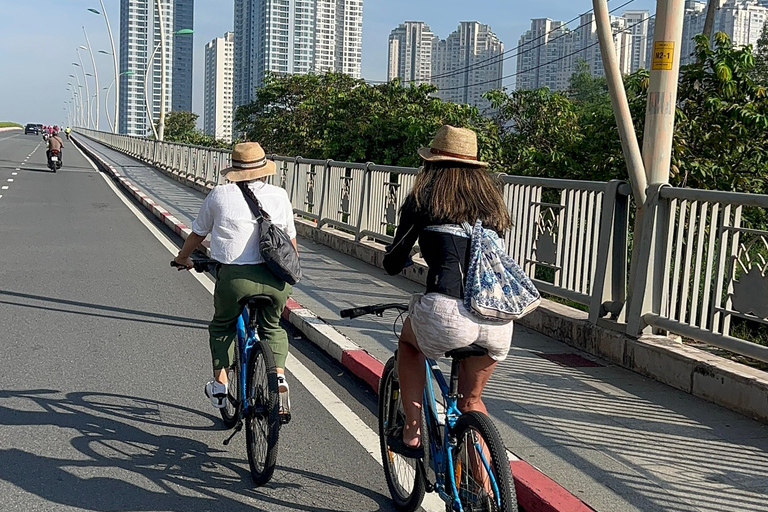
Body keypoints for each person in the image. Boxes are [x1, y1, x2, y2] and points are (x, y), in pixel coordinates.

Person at [382, 125, 514, 457]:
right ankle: (488, 495)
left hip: (448, 313)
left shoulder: (423, 199)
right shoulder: (491, 203)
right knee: (472, 401)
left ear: (431, 163)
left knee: (409, 346)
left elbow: (393, 261)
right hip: (499, 320)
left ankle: (412, 429)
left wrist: (408, 256)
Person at [174, 141, 297, 418]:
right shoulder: (279, 195)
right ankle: (278, 379)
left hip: (234, 279)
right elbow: (291, 244)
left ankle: (220, 384)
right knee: (273, 328)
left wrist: (183, 257)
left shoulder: (220, 194)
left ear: (234, 170)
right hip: (276, 279)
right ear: (265, 170)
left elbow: (198, 233)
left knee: (222, 325)